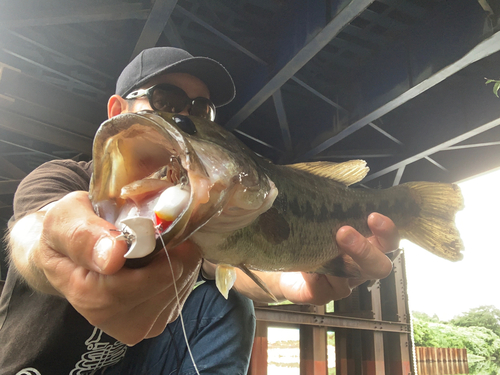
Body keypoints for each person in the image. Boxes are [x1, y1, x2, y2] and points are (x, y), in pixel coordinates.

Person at [0, 47, 398, 374]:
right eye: (168, 101)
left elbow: (219, 265)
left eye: (201, 110)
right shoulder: (60, 177)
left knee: (226, 305)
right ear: (118, 109)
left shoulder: (194, 210)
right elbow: (32, 234)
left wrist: (288, 281)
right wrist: (53, 248)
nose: (187, 118)